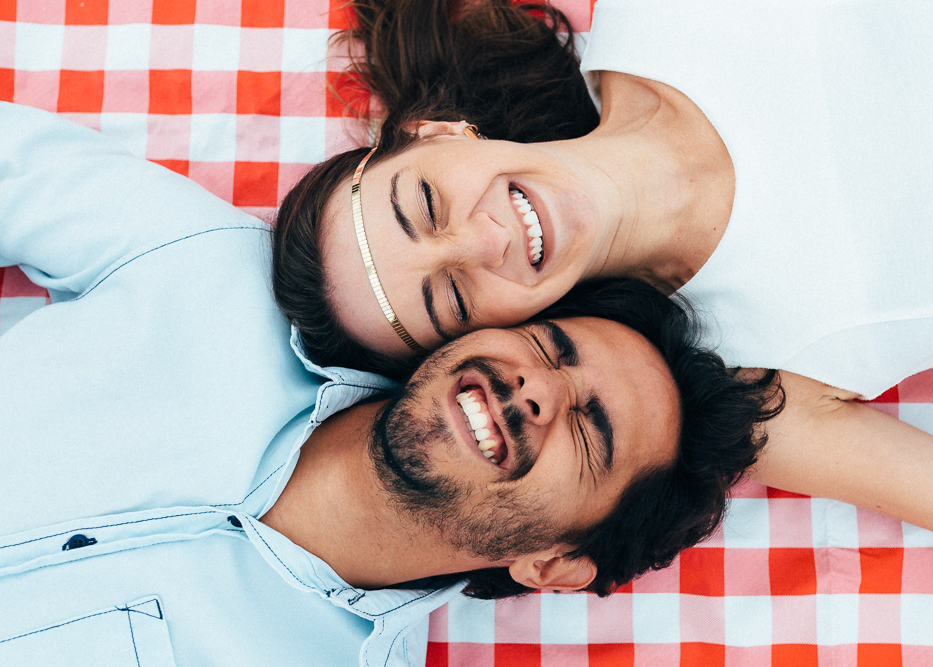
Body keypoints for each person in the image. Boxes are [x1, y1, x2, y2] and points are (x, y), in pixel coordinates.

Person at [0, 101, 777, 665]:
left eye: (590, 429)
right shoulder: (210, 270)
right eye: (550, 344)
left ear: (554, 565)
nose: (538, 388)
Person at [270, 0, 933, 562]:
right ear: (491, 333)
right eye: (453, 296)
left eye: (426, 203)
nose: (485, 236)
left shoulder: (661, 19)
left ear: (439, 132)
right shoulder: (753, 382)